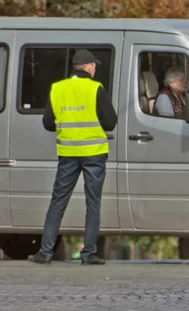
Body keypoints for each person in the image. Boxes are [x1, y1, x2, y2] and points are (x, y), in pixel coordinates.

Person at [28, 49, 118, 265]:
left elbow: (48, 123)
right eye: (94, 66)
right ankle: (88, 254)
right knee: (93, 203)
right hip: (94, 153)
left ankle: (45, 252)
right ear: (89, 67)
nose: (95, 69)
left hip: (68, 154)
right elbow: (111, 121)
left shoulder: (58, 88)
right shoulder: (95, 88)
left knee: (58, 201)